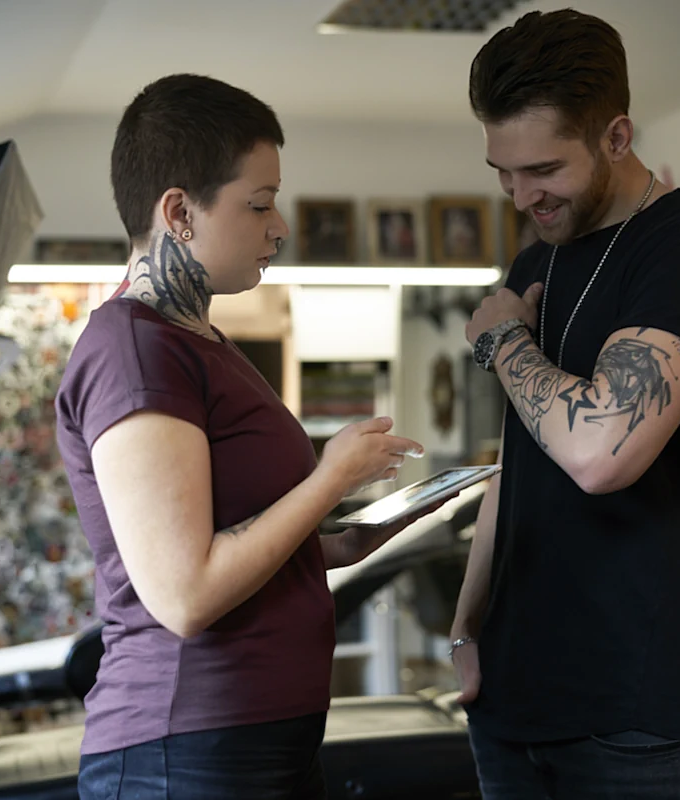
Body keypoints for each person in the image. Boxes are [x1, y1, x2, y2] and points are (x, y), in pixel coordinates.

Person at [55, 74, 433, 800]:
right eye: (258, 204)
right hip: (185, 745)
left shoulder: (198, 341)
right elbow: (186, 594)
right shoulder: (134, 351)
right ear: (179, 213)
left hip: (253, 742)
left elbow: (236, 542)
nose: (279, 226)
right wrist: (329, 478)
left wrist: (346, 539)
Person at [454, 9, 680, 799]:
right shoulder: (538, 258)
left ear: (617, 137)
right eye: (503, 170)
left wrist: (504, 345)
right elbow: (517, 463)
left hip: (635, 719)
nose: (521, 195)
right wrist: (466, 621)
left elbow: (597, 452)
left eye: (543, 170)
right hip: (512, 708)